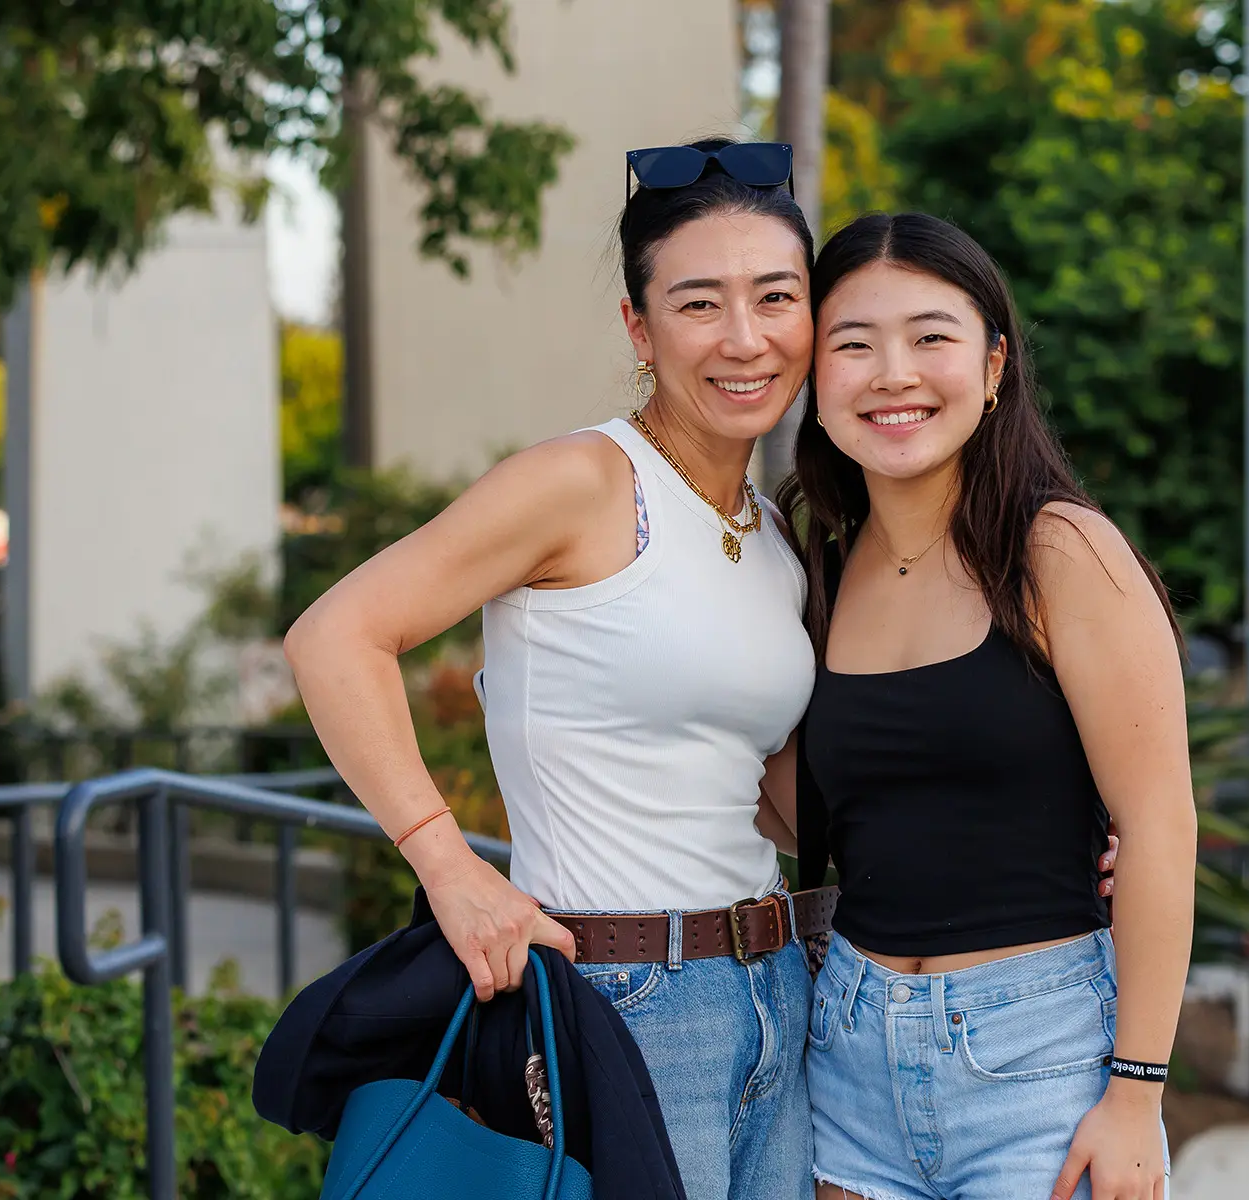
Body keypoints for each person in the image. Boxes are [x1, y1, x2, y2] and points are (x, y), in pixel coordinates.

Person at [283, 138, 826, 1200]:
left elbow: (774, 796)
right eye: (700, 303)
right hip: (626, 1002)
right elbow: (336, 635)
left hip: (772, 991)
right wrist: (449, 867)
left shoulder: (768, 533)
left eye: (777, 297)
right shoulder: (583, 481)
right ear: (639, 325)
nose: (746, 338)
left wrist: (1037, 851)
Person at [779, 213, 1196, 1200]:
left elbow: (1160, 825)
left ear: (995, 363)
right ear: (815, 380)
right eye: (853, 343)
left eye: (931, 336)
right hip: (846, 1054)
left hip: (1042, 1066)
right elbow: (806, 811)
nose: (893, 373)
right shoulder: (821, 574)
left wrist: (1136, 1093)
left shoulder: (1061, 553)